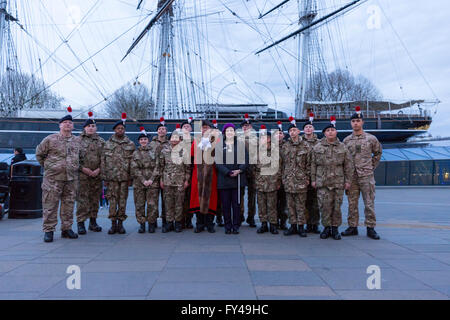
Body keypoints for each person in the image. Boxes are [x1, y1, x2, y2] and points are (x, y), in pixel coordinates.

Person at [35, 107, 80, 243]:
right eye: (65, 122)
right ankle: (48, 230)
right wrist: (50, 167)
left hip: (70, 179)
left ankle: (66, 229)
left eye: (70, 123)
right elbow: (39, 154)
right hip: (53, 179)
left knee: (69, 205)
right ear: (60, 125)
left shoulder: (77, 141)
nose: (68, 124)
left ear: (73, 126)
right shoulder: (50, 139)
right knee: (50, 205)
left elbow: (80, 157)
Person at [342, 107, 383, 240]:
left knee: (369, 202)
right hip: (352, 177)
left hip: (366, 176)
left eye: (358, 121)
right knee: (352, 203)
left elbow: (378, 153)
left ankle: (370, 228)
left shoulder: (371, 139)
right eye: (353, 121)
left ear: (362, 122)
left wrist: (371, 166)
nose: (355, 123)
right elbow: (344, 159)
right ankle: (352, 227)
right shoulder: (347, 141)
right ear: (351, 123)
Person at [311, 117, 353, 240]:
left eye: (332, 130)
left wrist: (348, 181)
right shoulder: (317, 147)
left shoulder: (343, 147)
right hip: (322, 182)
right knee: (324, 206)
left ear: (336, 132)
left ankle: (335, 229)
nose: (330, 132)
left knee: (336, 206)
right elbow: (313, 164)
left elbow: (348, 165)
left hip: (338, 182)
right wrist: (313, 179)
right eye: (328, 130)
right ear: (324, 133)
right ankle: (326, 227)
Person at [101, 114, 135, 235]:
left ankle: (121, 224)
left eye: (122, 128)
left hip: (125, 178)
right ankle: (113, 224)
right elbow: (103, 161)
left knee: (122, 201)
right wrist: (104, 177)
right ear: (114, 130)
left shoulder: (130, 144)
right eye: (118, 128)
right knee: (112, 201)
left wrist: (131, 177)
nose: (120, 130)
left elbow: (133, 162)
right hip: (112, 178)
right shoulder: (108, 144)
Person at [215, 123, 249, 234]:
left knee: (236, 205)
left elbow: (246, 160)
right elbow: (218, 162)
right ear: (224, 132)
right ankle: (227, 226)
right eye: (227, 130)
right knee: (225, 205)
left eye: (231, 130)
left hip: (237, 179)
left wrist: (240, 170)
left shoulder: (240, 144)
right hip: (224, 180)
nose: (229, 132)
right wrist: (227, 172)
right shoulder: (219, 146)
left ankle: (236, 226)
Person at [75, 112, 104, 234]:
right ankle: (81, 223)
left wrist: (99, 169)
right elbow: (73, 158)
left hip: (96, 176)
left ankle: (93, 222)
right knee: (82, 200)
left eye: (93, 126)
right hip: (82, 176)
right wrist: (83, 169)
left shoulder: (101, 141)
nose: (91, 128)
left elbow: (105, 158)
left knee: (94, 199)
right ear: (84, 128)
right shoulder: (77, 140)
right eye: (89, 126)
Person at [281, 117, 310, 237]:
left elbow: (309, 163)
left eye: (294, 130)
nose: (292, 132)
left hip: (301, 180)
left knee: (301, 205)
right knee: (290, 205)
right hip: (288, 180)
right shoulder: (285, 146)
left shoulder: (305, 146)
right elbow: (282, 164)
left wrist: (307, 178)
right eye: (290, 131)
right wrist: (283, 178)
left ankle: (301, 227)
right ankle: (292, 226)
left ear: (299, 131)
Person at [189, 119, 219, 233]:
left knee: (210, 198)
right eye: (203, 127)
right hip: (198, 175)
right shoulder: (196, 140)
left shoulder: (216, 140)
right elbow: (192, 155)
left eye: (207, 127)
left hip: (211, 174)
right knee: (198, 198)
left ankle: (210, 223)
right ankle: (199, 223)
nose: (205, 129)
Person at [158, 130, 191, 233]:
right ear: (170, 139)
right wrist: (161, 180)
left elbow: (188, 168)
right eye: (173, 137)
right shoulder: (164, 151)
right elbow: (160, 166)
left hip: (180, 181)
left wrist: (186, 180)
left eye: (177, 138)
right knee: (168, 203)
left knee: (179, 203)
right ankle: (169, 223)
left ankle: (178, 223)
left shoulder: (184, 151)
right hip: (167, 181)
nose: (174, 140)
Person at [130, 127, 160, 233]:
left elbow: (158, 166)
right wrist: (143, 180)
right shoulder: (135, 153)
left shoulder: (154, 152)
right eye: (141, 139)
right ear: (139, 141)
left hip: (152, 183)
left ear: (148, 141)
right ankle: (142, 224)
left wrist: (151, 179)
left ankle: (151, 224)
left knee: (152, 204)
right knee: (139, 204)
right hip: (139, 183)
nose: (143, 141)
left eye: (145, 139)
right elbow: (134, 168)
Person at [255, 126, 282, 235]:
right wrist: (256, 180)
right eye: (261, 138)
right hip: (260, 182)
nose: (263, 139)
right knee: (261, 205)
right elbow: (253, 168)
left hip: (272, 181)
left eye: (265, 137)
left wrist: (278, 181)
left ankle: (273, 224)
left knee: (272, 205)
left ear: (270, 139)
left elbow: (279, 167)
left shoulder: (275, 150)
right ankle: (263, 224)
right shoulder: (257, 151)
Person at [302, 114, 321, 234]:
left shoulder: (319, 143)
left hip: (316, 176)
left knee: (316, 202)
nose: (308, 129)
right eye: (306, 127)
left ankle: (315, 224)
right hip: (302, 177)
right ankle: (307, 224)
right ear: (303, 130)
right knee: (304, 202)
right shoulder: (299, 142)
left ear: (313, 129)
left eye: (310, 127)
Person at [238, 114, 257, 227]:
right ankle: (240, 215)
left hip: (253, 169)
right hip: (241, 169)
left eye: (248, 126)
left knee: (252, 195)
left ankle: (251, 217)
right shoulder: (237, 139)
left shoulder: (257, 140)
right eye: (244, 126)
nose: (246, 128)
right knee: (240, 194)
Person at [149, 117, 169, 227]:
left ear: (166, 131)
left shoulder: (169, 144)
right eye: (160, 129)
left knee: (166, 200)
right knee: (153, 200)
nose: (161, 130)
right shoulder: (151, 144)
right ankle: (153, 221)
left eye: (163, 129)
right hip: (154, 176)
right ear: (157, 131)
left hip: (166, 175)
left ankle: (166, 220)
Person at [180, 118, 194, 229]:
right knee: (179, 198)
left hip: (192, 172)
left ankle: (189, 220)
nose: (186, 128)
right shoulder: (176, 140)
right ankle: (179, 220)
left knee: (190, 198)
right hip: (178, 173)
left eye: (188, 126)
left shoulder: (195, 141)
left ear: (191, 129)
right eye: (184, 127)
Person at [275, 122, 288, 230]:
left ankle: (283, 222)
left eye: (280, 133)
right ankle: (274, 222)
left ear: (283, 135)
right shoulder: (269, 146)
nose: (278, 135)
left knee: (284, 203)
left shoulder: (287, 146)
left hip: (285, 179)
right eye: (276, 133)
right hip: (272, 179)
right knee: (273, 202)